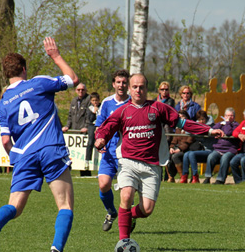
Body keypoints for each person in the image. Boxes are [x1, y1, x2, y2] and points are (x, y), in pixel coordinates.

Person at [0, 37, 79, 252]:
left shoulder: (4, 102)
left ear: (6, 73)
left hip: (24, 154)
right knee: (64, 204)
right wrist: (55, 56)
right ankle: (57, 249)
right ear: (24, 69)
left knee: (15, 206)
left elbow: (5, 140)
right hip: (50, 148)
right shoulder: (38, 83)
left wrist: (18, 157)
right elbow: (73, 79)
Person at [94, 73, 223, 240]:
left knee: (146, 210)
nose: (138, 90)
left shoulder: (158, 108)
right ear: (129, 89)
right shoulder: (122, 111)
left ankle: (128, 216)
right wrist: (101, 138)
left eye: (141, 87)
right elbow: (107, 127)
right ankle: (123, 242)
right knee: (126, 196)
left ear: (147, 89)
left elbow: (183, 123)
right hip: (128, 162)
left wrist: (209, 130)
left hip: (151, 165)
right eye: (135, 87)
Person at [95, 69, 130, 232]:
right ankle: (111, 212)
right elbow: (99, 126)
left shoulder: (133, 103)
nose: (121, 85)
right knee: (103, 184)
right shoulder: (107, 103)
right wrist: (99, 141)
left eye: (124, 82)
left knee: (127, 193)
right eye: (118, 82)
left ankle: (129, 215)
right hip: (109, 152)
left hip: (128, 154)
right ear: (113, 84)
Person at [202, 108, 240, 185]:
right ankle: (207, 177)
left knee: (224, 158)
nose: (229, 118)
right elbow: (213, 130)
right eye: (228, 116)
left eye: (231, 116)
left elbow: (228, 132)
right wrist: (221, 124)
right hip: (219, 148)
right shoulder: (221, 124)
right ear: (225, 116)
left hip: (230, 149)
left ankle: (220, 179)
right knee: (211, 157)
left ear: (234, 117)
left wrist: (227, 123)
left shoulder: (236, 125)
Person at [180, 110, 215, 184]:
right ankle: (184, 176)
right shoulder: (197, 124)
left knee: (192, 154)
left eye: (203, 119)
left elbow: (205, 131)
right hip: (201, 150)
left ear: (206, 118)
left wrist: (197, 130)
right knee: (186, 154)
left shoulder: (212, 126)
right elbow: (187, 131)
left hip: (210, 150)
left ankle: (195, 176)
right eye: (199, 120)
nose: (201, 121)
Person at [166, 110, 194, 182]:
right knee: (167, 155)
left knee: (175, 156)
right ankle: (171, 177)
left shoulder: (191, 127)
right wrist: (171, 147)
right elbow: (174, 140)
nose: (181, 119)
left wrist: (180, 149)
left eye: (183, 117)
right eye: (179, 117)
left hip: (187, 149)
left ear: (187, 117)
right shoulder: (178, 128)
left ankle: (182, 177)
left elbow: (189, 141)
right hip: (177, 148)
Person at [84, 92, 100, 170]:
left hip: (100, 126)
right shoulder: (89, 108)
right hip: (92, 126)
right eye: (93, 100)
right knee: (90, 142)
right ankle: (87, 161)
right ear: (90, 101)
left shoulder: (101, 107)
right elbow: (90, 119)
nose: (95, 102)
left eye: (96, 100)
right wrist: (94, 112)